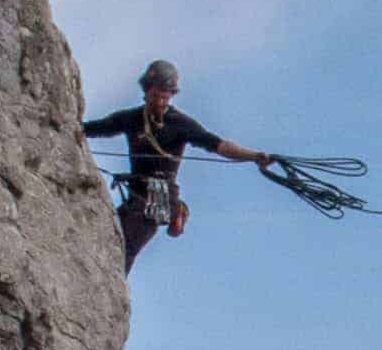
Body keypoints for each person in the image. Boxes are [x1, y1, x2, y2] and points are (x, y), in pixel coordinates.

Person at [82, 60, 273, 273]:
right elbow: (96, 128)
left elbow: (219, 145)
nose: (161, 102)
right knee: (103, 232)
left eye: (166, 97)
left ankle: (112, 291)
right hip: (137, 193)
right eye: (156, 96)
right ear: (147, 91)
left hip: (160, 197)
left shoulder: (179, 123)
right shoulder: (132, 119)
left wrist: (253, 155)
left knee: (126, 246)